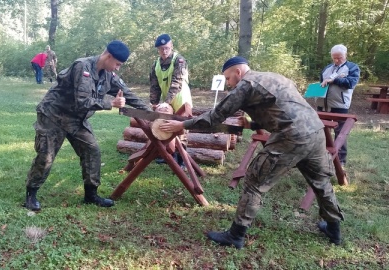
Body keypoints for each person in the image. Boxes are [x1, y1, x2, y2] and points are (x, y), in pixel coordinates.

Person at [159, 56, 345, 248]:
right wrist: (252, 124)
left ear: (238, 72)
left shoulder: (246, 85)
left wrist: (182, 125)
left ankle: (235, 235)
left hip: (291, 137)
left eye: (229, 79)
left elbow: (215, 117)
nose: (229, 84)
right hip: (316, 132)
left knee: (254, 182)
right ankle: (334, 229)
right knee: (321, 182)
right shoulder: (274, 77)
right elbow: (282, 110)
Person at [24, 40, 152, 211]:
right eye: (117, 64)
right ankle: (31, 194)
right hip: (53, 115)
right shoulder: (82, 67)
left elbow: (129, 94)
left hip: (76, 119)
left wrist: (150, 111)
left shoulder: (108, 75)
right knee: (46, 156)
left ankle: (91, 195)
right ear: (108, 56)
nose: (117, 68)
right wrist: (111, 103)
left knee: (92, 150)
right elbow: (82, 102)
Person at [149, 33, 192, 167]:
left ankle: (182, 159)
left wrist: (167, 102)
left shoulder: (179, 61)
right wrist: (154, 103)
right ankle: (169, 154)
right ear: (158, 49)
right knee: (166, 126)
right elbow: (154, 86)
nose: (164, 50)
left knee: (181, 129)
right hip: (166, 100)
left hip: (181, 99)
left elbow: (176, 83)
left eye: (167, 47)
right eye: (161, 48)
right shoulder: (155, 64)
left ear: (171, 46)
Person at [317, 44, 360, 169]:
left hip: (340, 105)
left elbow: (351, 83)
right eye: (334, 58)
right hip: (323, 105)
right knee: (322, 131)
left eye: (339, 58)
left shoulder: (352, 67)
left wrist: (334, 80)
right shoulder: (327, 68)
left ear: (345, 55)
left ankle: (340, 161)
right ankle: (323, 158)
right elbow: (322, 83)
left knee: (340, 133)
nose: (336, 60)